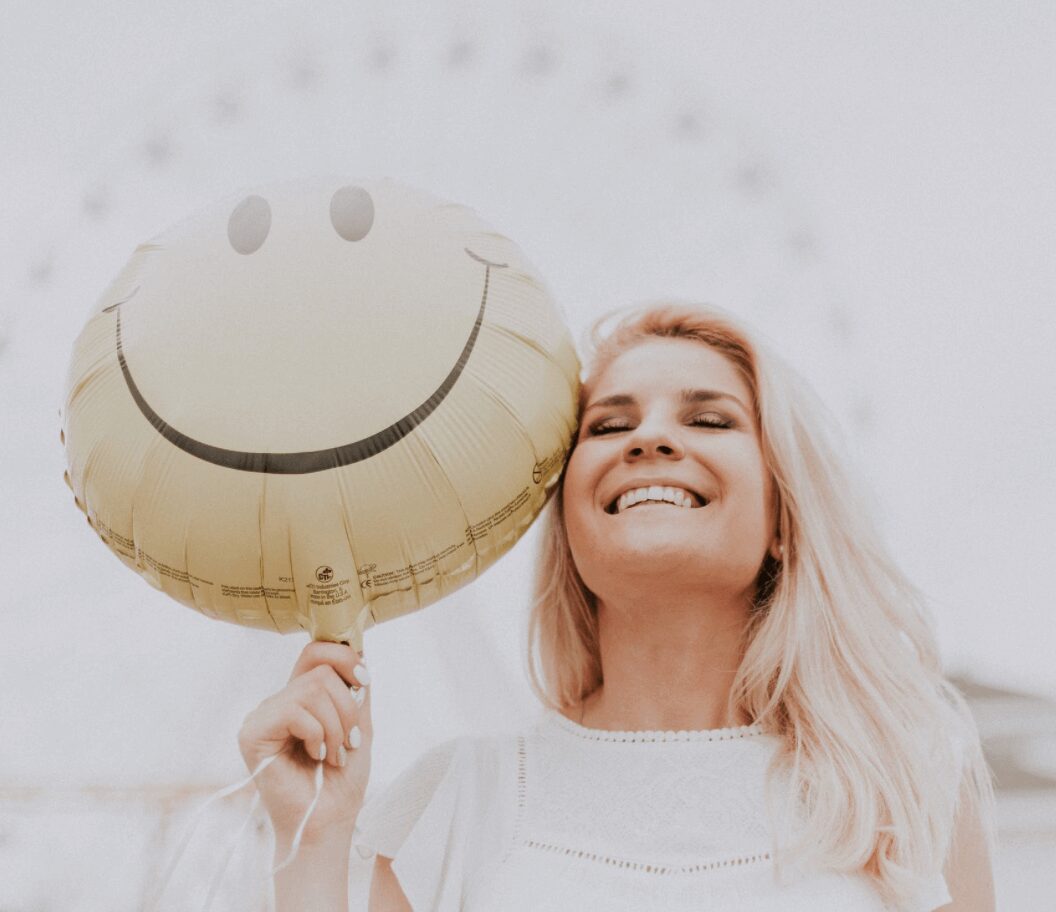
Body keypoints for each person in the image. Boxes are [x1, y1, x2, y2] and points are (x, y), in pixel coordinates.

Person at [238, 302, 996, 911]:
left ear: (786, 525)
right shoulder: (460, 804)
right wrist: (310, 839)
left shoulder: (904, 785)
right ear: (568, 524)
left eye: (708, 419)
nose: (651, 438)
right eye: (610, 425)